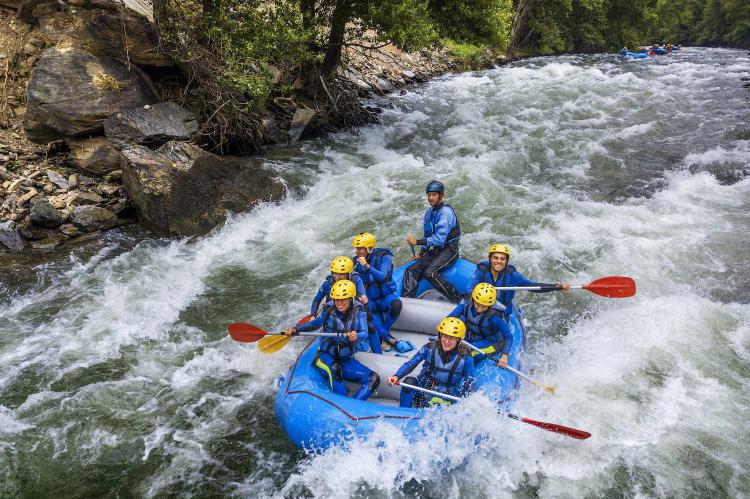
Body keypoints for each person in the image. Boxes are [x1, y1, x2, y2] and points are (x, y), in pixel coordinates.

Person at [286, 280, 379, 400]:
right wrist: (295, 330)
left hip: (346, 359)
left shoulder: (360, 310)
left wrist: (357, 336)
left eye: (343, 299)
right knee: (335, 368)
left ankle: (353, 405)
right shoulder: (329, 309)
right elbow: (315, 324)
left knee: (374, 378)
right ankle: (344, 403)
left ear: (351, 299)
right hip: (325, 357)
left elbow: (364, 333)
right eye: (336, 299)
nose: (339, 303)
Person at [386, 317, 474, 408]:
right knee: (409, 382)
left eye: (451, 338)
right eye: (444, 336)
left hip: (446, 397)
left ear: (458, 340)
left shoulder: (466, 357)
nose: (447, 341)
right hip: (423, 390)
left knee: (437, 402)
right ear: (440, 335)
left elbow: (469, 381)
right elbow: (411, 364)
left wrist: (466, 402)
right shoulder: (429, 347)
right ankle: (403, 413)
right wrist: (396, 376)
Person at [465, 244, 571, 315]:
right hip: (480, 305)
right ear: (490, 259)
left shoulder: (512, 276)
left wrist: (556, 287)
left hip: (500, 310)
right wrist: (481, 302)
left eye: (502, 259)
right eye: (495, 258)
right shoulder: (481, 272)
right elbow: (469, 290)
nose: (498, 261)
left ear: (506, 261)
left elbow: (533, 286)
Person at [402, 180, 462, 302]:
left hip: (449, 250)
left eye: (434, 195)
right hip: (436, 250)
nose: (430, 198)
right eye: (429, 195)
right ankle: (407, 302)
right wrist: (421, 254)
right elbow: (428, 235)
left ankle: (458, 298)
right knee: (411, 270)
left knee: (430, 273)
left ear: (441, 195)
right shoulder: (429, 213)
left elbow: (439, 239)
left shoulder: (445, 213)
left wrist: (417, 242)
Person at [352, 232, 412, 354]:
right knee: (365, 311)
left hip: (385, 296)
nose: (357, 252)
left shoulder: (385, 257)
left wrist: (367, 266)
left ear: (369, 248)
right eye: (356, 249)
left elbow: (383, 277)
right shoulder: (356, 261)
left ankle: (384, 335)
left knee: (396, 305)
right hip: (370, 298)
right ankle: (389, 339)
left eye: (360, 249)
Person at [449, 283, 513, 367]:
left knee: (467, 354)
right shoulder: (465, 303)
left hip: (490, 342)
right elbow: (450, 318)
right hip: (469, 336)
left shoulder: (495, 316)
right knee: (451, 349)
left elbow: (508, 336)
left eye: (484, 307)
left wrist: (505, 356)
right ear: (473, 299)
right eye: (478, 305)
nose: (480, 309)